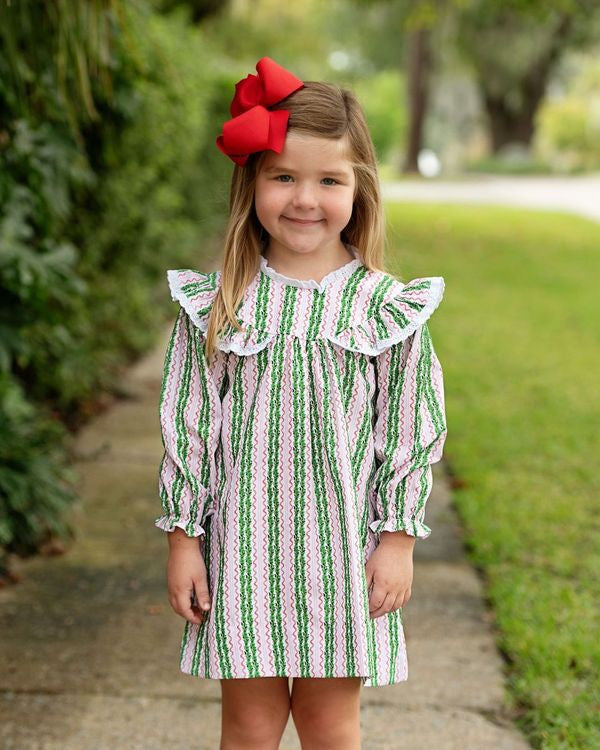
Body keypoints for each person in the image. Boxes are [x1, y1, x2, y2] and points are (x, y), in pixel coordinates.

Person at [155, 56, 447, 750]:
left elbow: (409, 431)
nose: (304, 199)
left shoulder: (384, 309)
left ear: (360, 189)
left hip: (342, 555)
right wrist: (182, 539)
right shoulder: (220, 305)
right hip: (242, 554)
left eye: (328, 180)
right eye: (283, 177)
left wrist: (399, 539)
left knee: (329, 727)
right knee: (249, 729)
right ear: (251, 183)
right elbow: (189, 428)